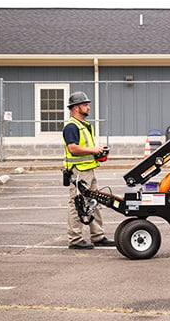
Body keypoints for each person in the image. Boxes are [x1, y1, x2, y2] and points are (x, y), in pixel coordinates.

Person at [63, 91, 115, 249]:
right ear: (76, 108)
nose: (89, 107)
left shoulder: (85, 126)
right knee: (77, 204)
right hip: (78, 172)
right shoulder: (72, 126)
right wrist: (93, 150)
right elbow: (73, 148)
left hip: (88, 170)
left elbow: (84, 148)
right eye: (85, 105)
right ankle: (75, 239)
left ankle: (98, 236)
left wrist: (97, 152)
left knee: (95, 201)